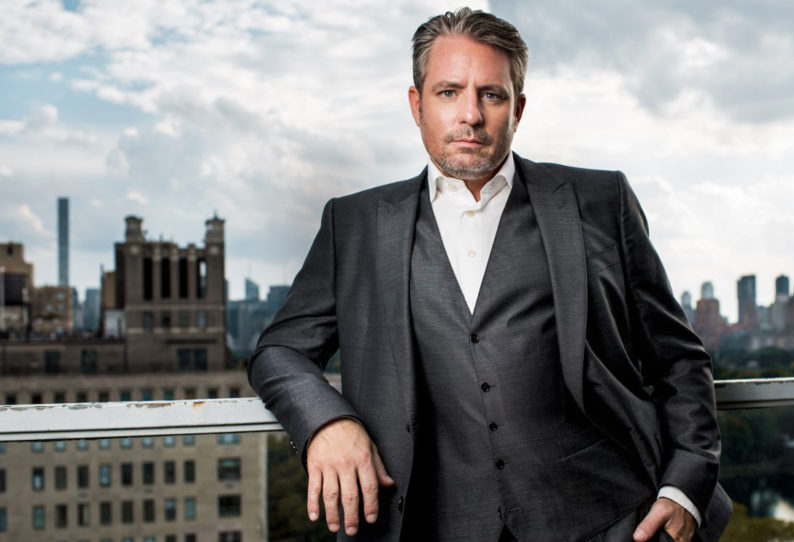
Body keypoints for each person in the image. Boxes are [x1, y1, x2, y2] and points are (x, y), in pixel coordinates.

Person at [249, 7, 731, 542]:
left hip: (613, 519)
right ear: (417, 105)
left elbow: (677, 356)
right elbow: (279, 351)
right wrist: (327, 423)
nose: (470, 115)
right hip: (428, 526)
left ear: (518, 108)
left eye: (492, 95)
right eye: (449, 92)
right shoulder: (355, 223)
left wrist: (685, 484)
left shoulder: (599, 201)